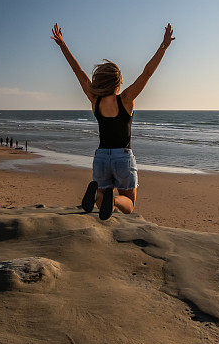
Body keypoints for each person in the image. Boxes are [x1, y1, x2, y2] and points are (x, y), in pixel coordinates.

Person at [50, 22, 174, 220]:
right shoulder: (126, 99)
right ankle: (114, 200)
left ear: (100, 80)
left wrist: (62, 45)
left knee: (102, 198)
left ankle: (100, 194)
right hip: (122, 157)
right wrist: (164, 46)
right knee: (129, 203)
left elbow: (78, 71)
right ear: (118, 82)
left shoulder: (94, 99)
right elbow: (147, 73)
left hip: (101, 157)